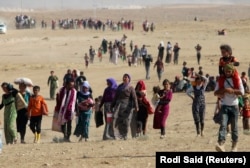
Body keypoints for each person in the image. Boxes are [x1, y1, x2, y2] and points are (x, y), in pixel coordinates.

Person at [214, 63, 244, 152]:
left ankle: (234, 146)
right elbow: (215, 92)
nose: (227, 73)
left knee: (234, 127)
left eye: (229, 71)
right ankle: (221, 144)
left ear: (232, 71)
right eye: (226, 71)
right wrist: (225, 90)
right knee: (223, 125)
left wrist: (233, 91)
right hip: (224, 106)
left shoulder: (237, 79)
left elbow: (242, 92)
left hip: (234, 106)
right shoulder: (221, 80)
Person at [111, 74, 138, 140]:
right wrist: (112, 105)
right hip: (118, 106)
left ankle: (125, 135)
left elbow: (134, 98)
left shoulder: (131, 87)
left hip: (127, 106)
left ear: (129, 79)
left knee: (126, 121)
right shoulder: (119, 87)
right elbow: (115, 97)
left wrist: (136, 106)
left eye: (126, 77)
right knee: (118, 120)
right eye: (124, 77)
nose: (125, 78)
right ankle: (119, 135)